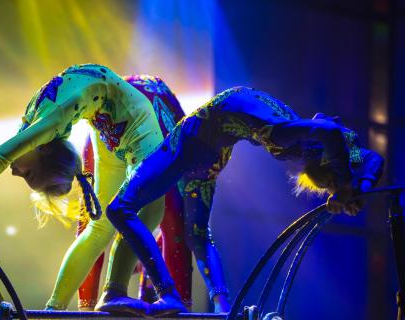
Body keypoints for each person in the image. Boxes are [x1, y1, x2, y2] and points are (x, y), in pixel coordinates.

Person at [99, 86, 384, 315]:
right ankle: (215, 304)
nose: (327, 188)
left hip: (195, 140)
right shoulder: (294, 136)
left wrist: (359, 187)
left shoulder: (303, 139)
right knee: (191, 233)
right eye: (329, 183)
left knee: (120, 208)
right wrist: (348, 186)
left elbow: (368, 157)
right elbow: (335, 134)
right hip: (209, 149)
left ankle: (175, 297)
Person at [0, 64, 185, 314]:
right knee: (109, 223)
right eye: (26, 174)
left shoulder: (47, 123)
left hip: (133, 117)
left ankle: (113, 291)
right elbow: (1, 159)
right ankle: (56, 308)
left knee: (149, 209)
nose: (15, 172)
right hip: (108, 121)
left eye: (27, 174)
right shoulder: (40, 128)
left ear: (45, 147)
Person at [76, 74, 193, 310]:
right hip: (140, 125)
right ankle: (99, 302)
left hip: (110, 120)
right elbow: (177, 235)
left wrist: (85, 309)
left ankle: (91, 305)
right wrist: (185, 308)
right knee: (168, 224)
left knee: (97, 225)